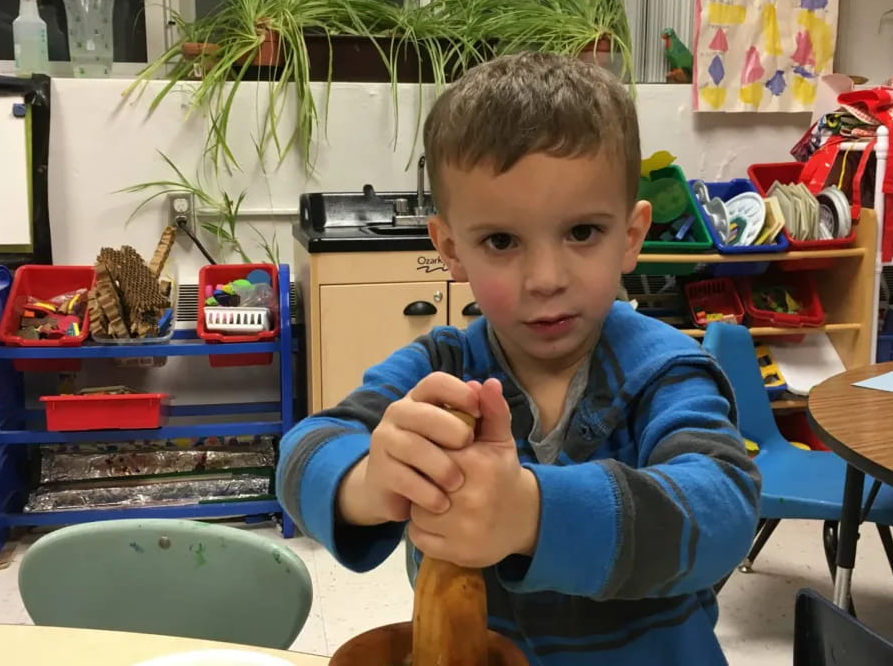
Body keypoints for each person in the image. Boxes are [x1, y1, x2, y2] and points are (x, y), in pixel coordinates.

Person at [277, 51, 761, 665]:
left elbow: (722, 511)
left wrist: (531, 513)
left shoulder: (667, 371)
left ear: (632, 237)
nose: (546, 278)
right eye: (501, 241)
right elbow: (303, 452)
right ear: (451, 249)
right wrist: (368, 481)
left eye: (582, 232)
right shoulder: (440, 369)